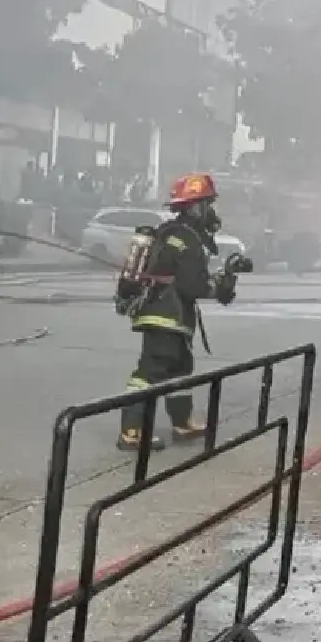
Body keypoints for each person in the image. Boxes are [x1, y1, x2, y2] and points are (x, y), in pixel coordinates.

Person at [116, 173, 244, 452]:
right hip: (166, 315)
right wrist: (219, 288)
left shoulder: (173, 232)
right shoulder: (187, 238)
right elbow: (191, 286)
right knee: (151, 371)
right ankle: (131, 431)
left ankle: (182, 422)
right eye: (208, 204)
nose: (211, 211)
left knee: (180, 368)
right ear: (195, 207)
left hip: (168, 314)